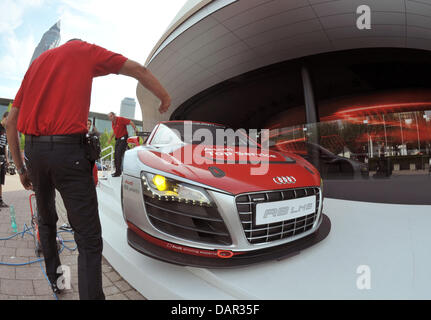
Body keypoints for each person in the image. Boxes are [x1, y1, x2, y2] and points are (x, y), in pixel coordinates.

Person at [7, 39, 170, 300]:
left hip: (34, 153)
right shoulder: (82, 50)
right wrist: (164, 96)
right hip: (68, 152)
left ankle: (57, 283)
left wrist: (21, 168)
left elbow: (11, 121)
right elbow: (138, 70)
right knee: (88, 237)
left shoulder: (37, 64)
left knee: (47, 222)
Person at [107, 112, 136, 177]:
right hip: (118, 139)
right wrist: (110, 139)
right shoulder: (113, 123)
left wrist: (135, 129)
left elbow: (131, 122)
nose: (110, 118)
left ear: (114, 115)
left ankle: (118, 172)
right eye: (109, 117)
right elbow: (115, 132)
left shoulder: (120, 119)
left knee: (118, 154)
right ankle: (117, 171)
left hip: (123, 138)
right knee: (116, 155)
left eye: (111, 116)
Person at [0, 112, 9, 208]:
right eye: (8, 119)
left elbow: (5, 146)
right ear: (4, 117)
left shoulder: (5, 131)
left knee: (1, 181)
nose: (8, 122)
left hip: (2, 158)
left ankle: (0, 200)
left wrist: (7, 159)